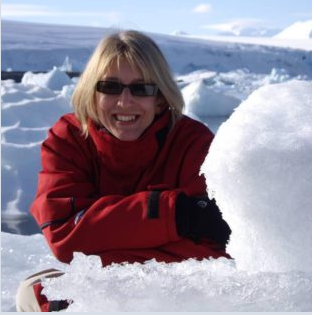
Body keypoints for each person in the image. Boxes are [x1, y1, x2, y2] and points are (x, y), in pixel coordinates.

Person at [16, 30, 231, 312]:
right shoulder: (68, 139)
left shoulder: (194, 143)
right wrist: (174, 213)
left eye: (142, 88)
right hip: (163, 275)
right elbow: (63, 235)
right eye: (111, 87)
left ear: (160, 98)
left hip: (180, 294)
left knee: (45, 292)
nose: (125, 101)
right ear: (92, 92)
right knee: (31, 294)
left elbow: (214, 250)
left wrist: (100, 256)